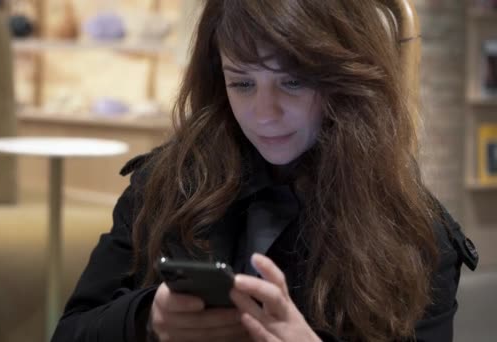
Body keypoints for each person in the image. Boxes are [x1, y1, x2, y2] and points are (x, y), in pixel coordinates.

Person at [51, 0, 479, 341]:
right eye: (242, 83)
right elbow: (71, 331)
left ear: (345, 80)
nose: (264, 114)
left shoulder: (415, 233)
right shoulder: (167, 183)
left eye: (292, 82)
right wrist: (145, 319)